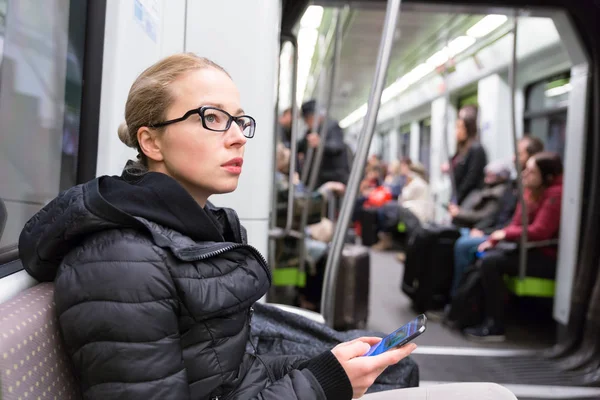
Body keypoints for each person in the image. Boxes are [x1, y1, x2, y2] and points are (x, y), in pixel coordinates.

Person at [18, 54, 415, 400]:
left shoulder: (202, 229)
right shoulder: (122, 262)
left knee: (393, 371)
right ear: (152, 142)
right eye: (213, 117)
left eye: (240, 121)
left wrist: (330, 367)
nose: (239, 137)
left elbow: (231, 376)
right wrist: (325, 383)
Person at [464, 152, 563, 341]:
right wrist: (494, 239)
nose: (525, 174)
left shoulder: (555, 195)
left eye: (531, 172)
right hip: (528, 250)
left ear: (547, 177)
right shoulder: (531, 192)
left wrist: (505, 234)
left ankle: (496, 325)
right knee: (484, 254)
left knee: (491, 263)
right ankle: (473, 313)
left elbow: (540, 231)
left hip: (545, 255)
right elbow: (517, 223)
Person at [450, 136, 544, 298]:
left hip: (511, 238)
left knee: (465, 245)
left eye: (519, 154)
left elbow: (519, 224)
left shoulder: (533, 192)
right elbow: (500, 215)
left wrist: (492, 234)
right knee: (460, 235)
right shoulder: (515, 186)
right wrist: (482, 229)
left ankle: (458, 298)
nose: (514, 158)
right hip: (499, 231)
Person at [297, 99, 351, 187]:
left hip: (334, 177)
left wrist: (320, 144)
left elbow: (336, 146)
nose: (307, 123)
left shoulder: (332, 126)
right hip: (319, 179)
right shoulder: (309, 132)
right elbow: (299, 146)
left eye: (308, 119)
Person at [442, 105, 487, 206]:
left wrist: (458, 198)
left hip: (467, 197)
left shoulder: (476, 149)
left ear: (468, 129)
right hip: (458, 194)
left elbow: (471, 179)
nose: (456, 132)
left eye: (459, 128)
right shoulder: (461, 149)